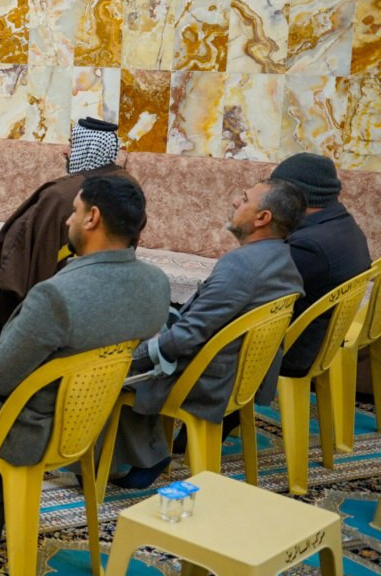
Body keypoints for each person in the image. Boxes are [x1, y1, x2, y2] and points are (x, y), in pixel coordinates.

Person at [0, 175, 171, 545]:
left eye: (74, 211)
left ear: (92, 218)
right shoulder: (156, 284)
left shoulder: (57, 295)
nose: (67, 220)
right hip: (89, 421)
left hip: (29, 422)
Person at [109, 179, 306, 488]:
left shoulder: (242, 266)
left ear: (262, 218)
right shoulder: (282, 258)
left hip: (206, 378)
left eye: (244, 199)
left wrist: (133, 356)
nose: (235, 203)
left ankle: (139, 457)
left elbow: (187, 336)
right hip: (238, 374)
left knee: (107, 355)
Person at [0, 117, 129, 350]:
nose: (64, 151)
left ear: (89, 148)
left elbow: (17, 255)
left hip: (53, 302)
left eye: (72, 144)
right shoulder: (127, 184)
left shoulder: (61, 196)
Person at [268, 153, 372, 378]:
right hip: (321, 341)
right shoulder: (345, 226)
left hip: (292, 352)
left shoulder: (310, 246)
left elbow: (254, 291)